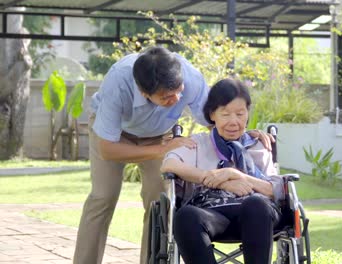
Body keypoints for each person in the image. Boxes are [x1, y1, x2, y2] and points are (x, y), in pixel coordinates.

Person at [73, 47, 272, 264]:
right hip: (113, 136)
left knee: (160, 202)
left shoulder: (190, 77)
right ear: (144, 92)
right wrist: (161, 150)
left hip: (159, 134)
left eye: (179, 91)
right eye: (167, 97)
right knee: (103, 196)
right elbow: (107, 149)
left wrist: (242, 134)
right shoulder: (119, 81)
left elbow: (214, 119)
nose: (176, 99)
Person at [161, 78, 284, 264]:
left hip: (257, 216)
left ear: (247, 114)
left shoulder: (258, 145)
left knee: (256, 204)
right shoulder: (199, 143)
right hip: (212, 214)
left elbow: (273, 190)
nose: (234, 122)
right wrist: (212, 178)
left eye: (240, 114)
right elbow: (168, 165)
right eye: (225, 115)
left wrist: (236, 174)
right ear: (212, 115)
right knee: (185, 216)